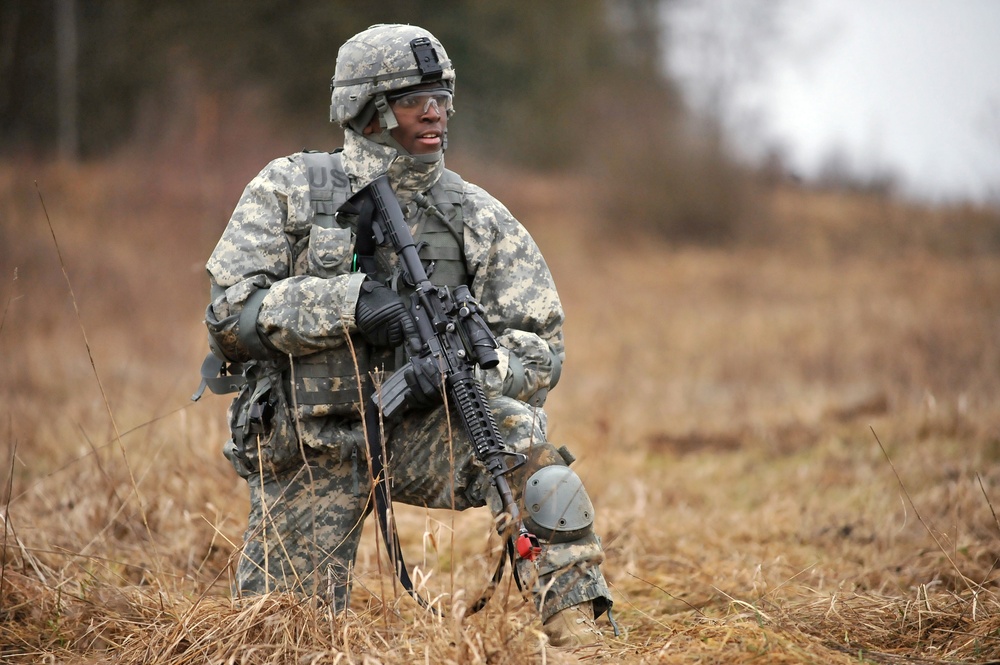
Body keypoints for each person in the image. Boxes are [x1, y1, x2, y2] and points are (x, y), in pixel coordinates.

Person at [201, 23, 612, 648]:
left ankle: (587, 642)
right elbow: (228, 318)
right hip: (310, 443)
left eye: (442, 95)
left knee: (539, 468)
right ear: (365, 108)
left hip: (421, 430)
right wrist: (347, 304)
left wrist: (474, 369)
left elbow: (542, 346)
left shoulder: (475, 215)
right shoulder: (289, 190)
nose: (435, 111)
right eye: (414, 97)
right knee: (278, 638)